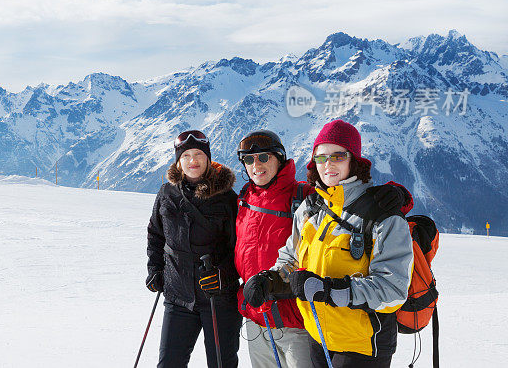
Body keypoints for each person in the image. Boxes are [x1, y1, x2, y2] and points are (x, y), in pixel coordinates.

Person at [271, 120, 413, 368]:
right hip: (319, 337)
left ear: (354, 160)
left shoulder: (382, 214)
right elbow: (291, 258)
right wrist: (272, 278)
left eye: (338, 155)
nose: (328, 164)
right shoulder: (310, 209)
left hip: (363, 345)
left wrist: (331, 290)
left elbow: (393, 289)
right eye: (321, 157)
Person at [146, 129, 241, 368]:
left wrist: (222, 274)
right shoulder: (167, 193)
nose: (193, 161)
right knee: (169, 363)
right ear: (178, 162)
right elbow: (156, 235)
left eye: (198, 154)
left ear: (208, 158)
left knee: (221, 364)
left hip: (218, 298)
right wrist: (155, 270)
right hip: (178, 295)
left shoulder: (227, 198)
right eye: (186, 155)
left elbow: (239, 246)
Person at [234, 130, 314, 368]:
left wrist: (395, 198)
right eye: (249, 160)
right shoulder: (244, 199)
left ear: (279, 158)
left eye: (263, 157)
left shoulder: (303, 196)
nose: (256, 165)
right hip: (256, 317)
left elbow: (346, 205)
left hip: (294, 321)